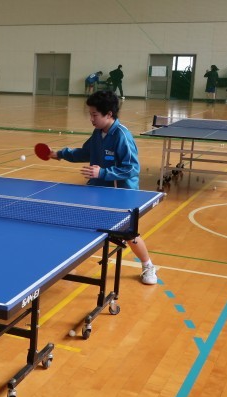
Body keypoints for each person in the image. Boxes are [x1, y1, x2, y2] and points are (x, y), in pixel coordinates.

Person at [46, 91, 158, 285]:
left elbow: (132, 168)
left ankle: (148, 265)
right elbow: (85, 152)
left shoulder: (122, 135)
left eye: (94, 115)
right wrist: (60, 154)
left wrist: (103, 173)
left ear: (109, 114)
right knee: (79, 223)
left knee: (128, 234)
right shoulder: (98, 133)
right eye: (90, 114)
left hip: (121, 194)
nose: (91, 119)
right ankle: (71, 261)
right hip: (98, 190)